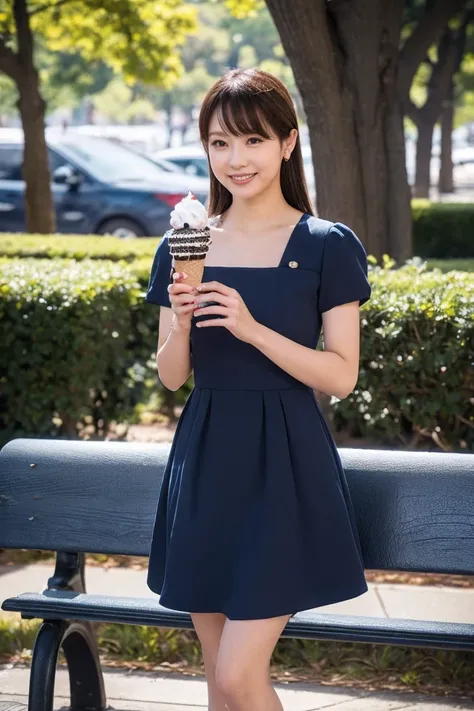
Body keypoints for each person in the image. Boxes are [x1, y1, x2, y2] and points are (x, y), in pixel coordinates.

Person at [145, 68, 372, 711]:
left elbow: (342, 374)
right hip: (205, 459)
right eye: (220, 143)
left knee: (241, 675)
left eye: (252, 141)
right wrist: (183, 316)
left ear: (288, 143)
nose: (235, 159)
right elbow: (170, 375)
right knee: (219, 681)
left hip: (285, 467)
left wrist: (252, 329)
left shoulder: (327, 245)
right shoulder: (185, 243)